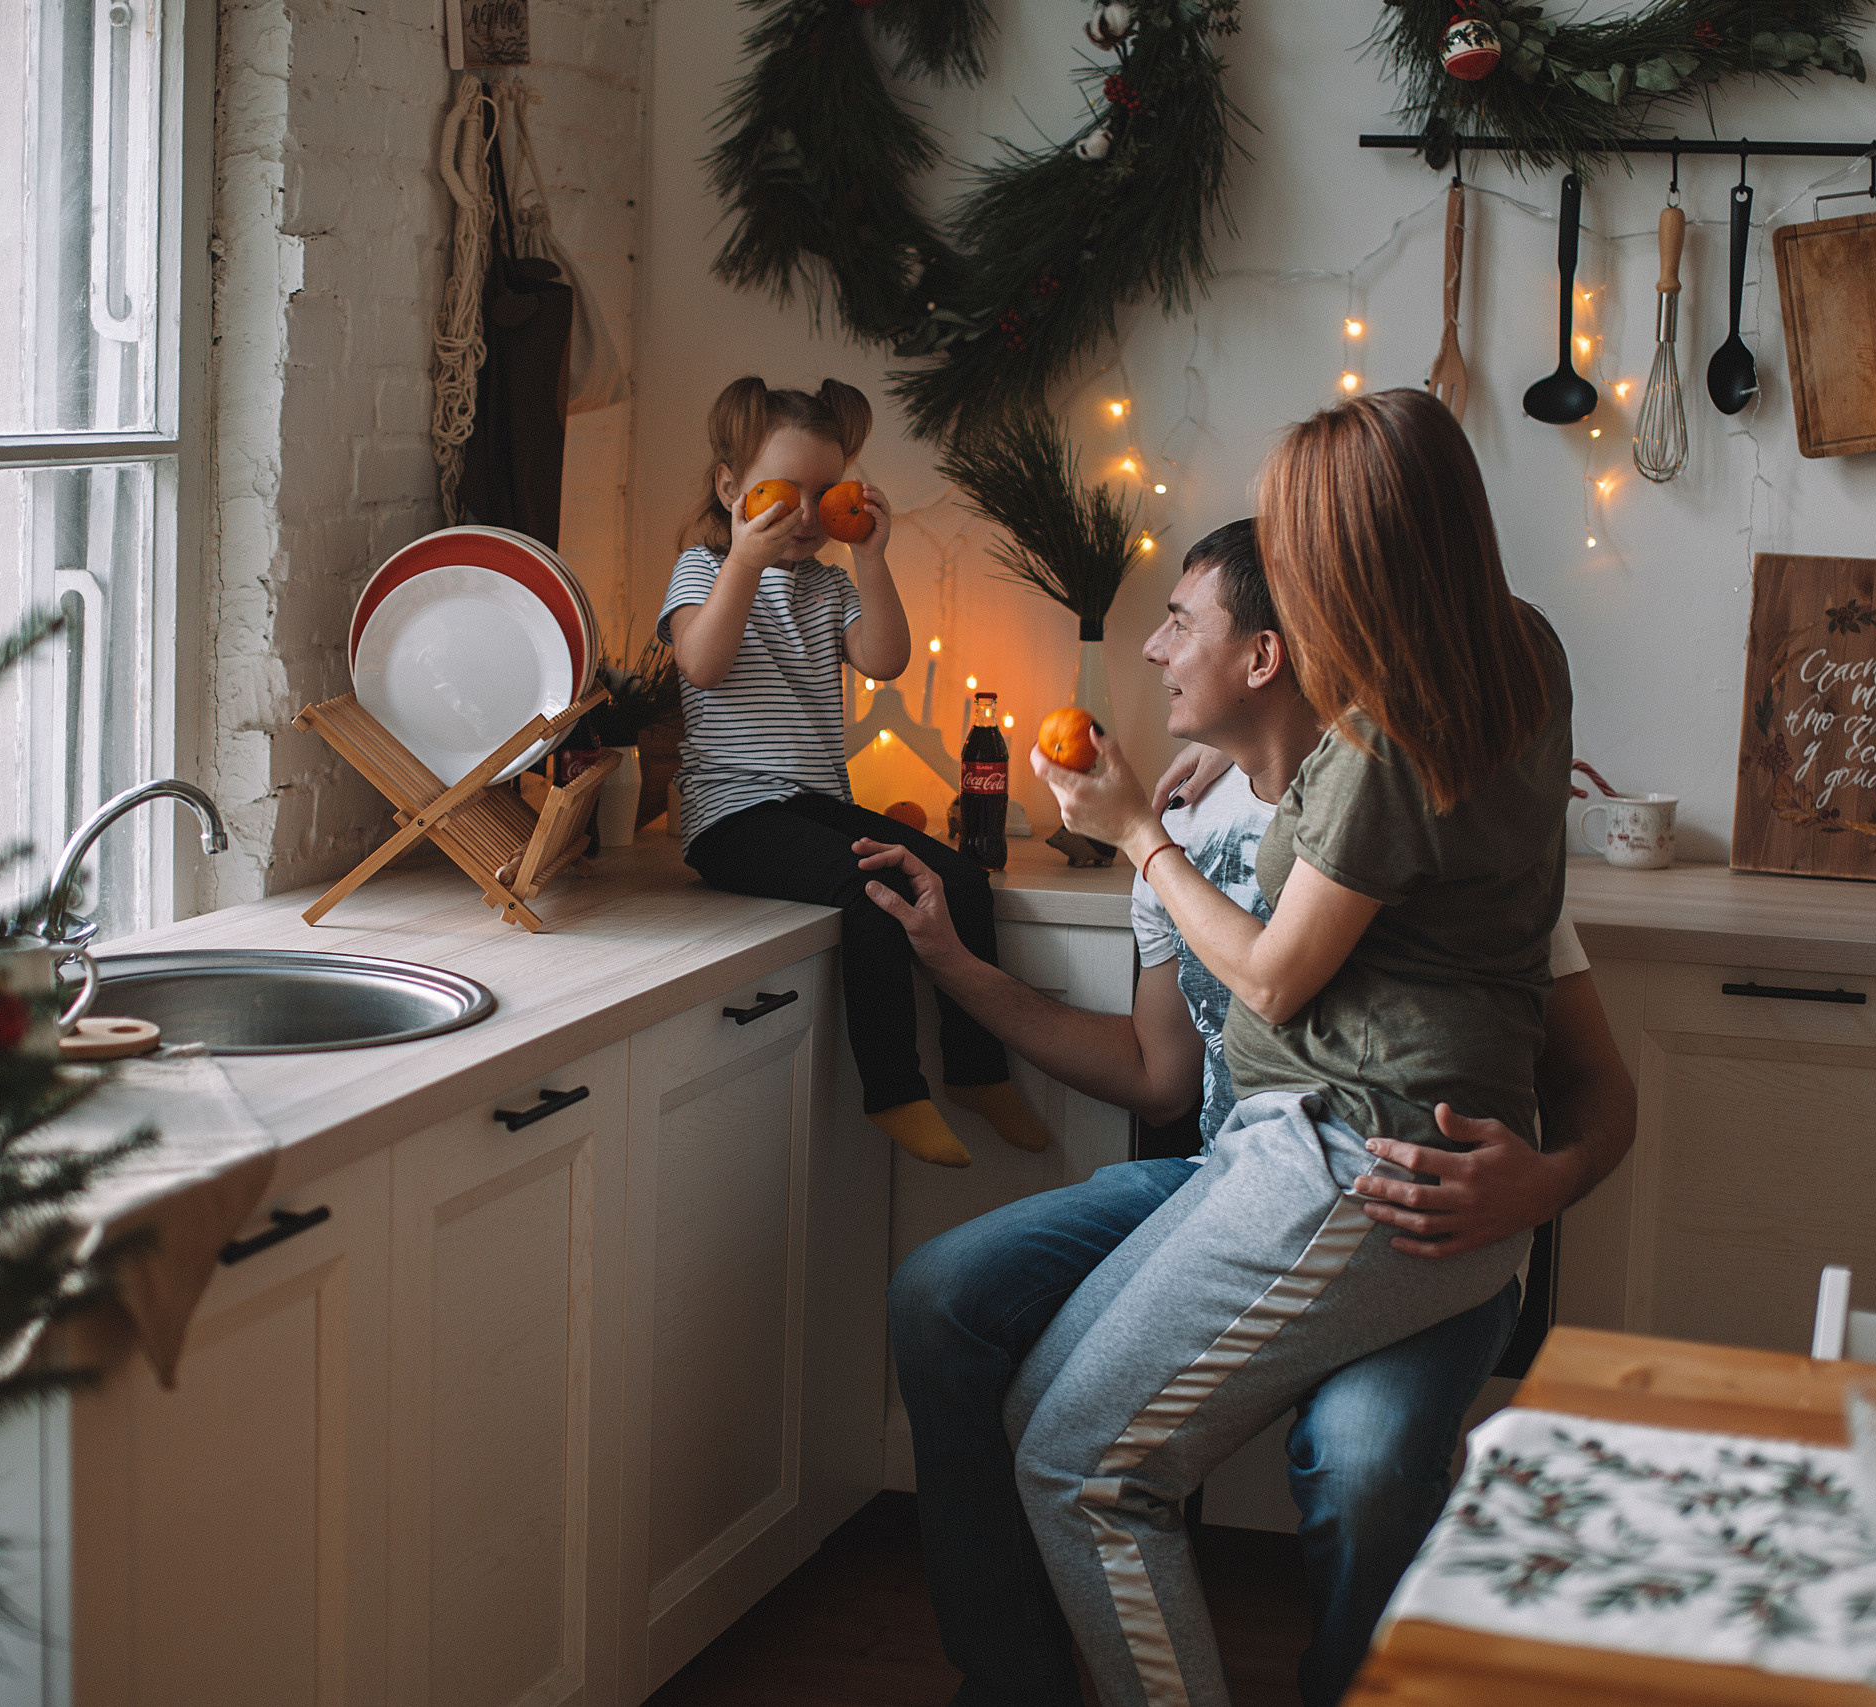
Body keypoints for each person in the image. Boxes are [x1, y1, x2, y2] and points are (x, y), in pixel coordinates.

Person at [865, 516, 1632, 1706]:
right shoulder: (1201, 818)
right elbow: (1154, 1075)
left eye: (1183, 622)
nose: (1156, 647)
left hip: (1389, 1196)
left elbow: (1596, 1084)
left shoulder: (1442, 832)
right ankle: (1017, 1684)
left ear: (1265, 657)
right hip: (1229, 1167)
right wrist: (957, 969)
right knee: (942, 1299)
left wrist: (1552, 1177)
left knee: (1362, 1457)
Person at [1006, 388, 1573, 1707]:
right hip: (1362, 1134)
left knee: (1078, 1467)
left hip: (1351, 1154)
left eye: (1306, 539)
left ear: (1360, 555)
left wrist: (1137, 825)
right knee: (1046, 1400)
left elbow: (1271, 969)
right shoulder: (1520, 656)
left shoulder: (1381, 741)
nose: (1291, 560)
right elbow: (1395, 828)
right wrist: (1267, 765)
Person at [660, 375, 1050, 1169]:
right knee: (869, 896)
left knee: (961, 882)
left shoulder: (830, 584)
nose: (807, 516)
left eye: (825, 492)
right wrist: (745, 558)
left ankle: (979, 1071)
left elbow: (887, 657)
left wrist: (872, 558)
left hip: (813, 805)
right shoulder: (701, 570)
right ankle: (895, 1090)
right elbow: (702, 663)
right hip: (732, 816)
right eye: (783, 492)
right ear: (732, 487)